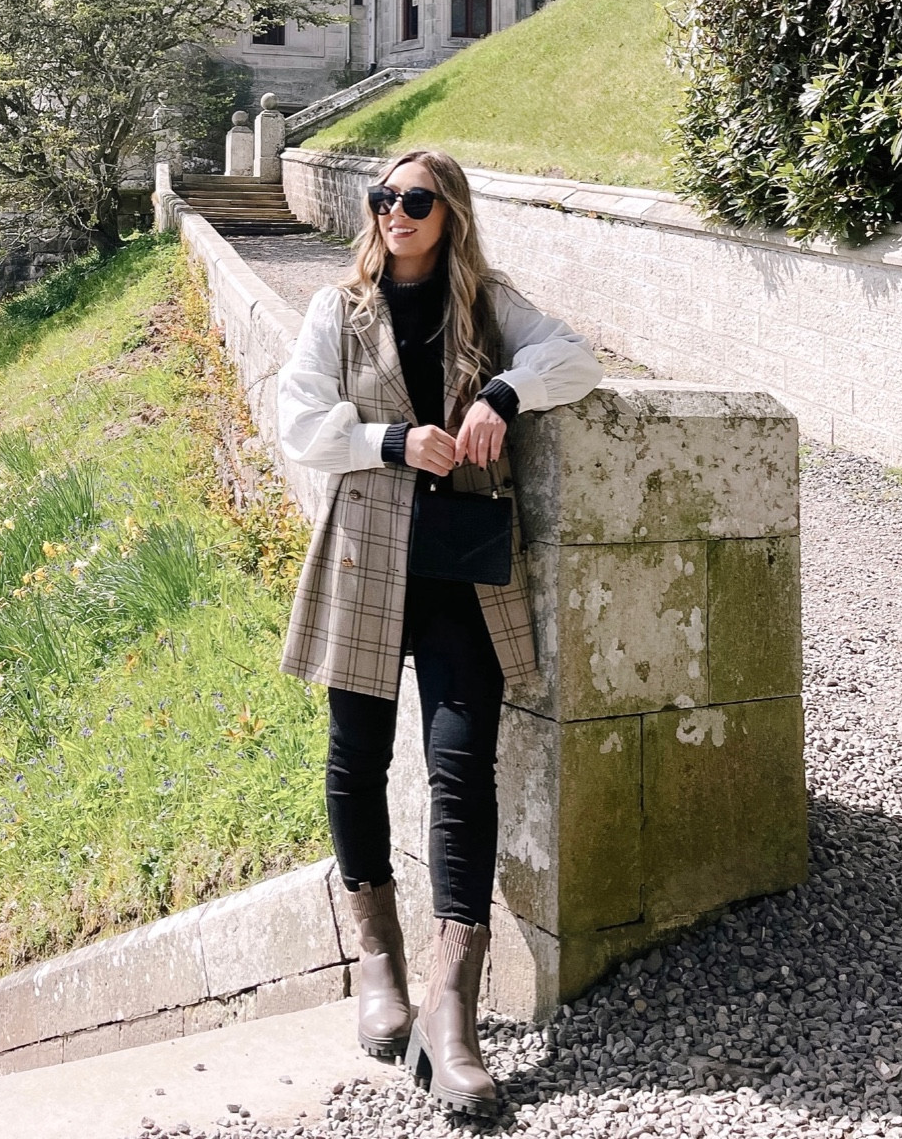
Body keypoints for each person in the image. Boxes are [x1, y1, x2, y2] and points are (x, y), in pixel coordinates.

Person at [277, 148, 600, 1115]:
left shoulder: (488, 305)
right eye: (383, 200)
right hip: (366, 551)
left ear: (448, 213)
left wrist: (503, 392)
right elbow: (299, 419)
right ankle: (377, 961)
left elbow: (575, 360)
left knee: (462, 769)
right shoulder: (336, 311)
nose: (394, 214)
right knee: (355, 758)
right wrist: (389, 440)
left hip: (461, 563)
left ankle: (450, 1008)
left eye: (414, 201)